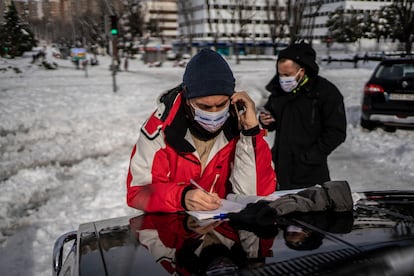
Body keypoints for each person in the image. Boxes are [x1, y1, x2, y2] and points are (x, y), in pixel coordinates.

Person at [127, 48, 276, 212]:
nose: (213, 113)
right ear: (188, 100)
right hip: (176, 231)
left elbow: (256, 195)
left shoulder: (240, 125)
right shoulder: (159, 130)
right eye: (204, 107)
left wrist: (250, 133)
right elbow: (138, 192)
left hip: (226, 229)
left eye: (220, 105)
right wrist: (182, 197)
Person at [259, 42, 346, 190]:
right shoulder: (278, 90)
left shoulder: (326, 92)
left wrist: (312, 156)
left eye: (287, 74)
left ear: (302, 71)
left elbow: (336, 132)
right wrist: (266, 120)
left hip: (311, 173)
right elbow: (272, 116)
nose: (283, 79)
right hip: (280, 170)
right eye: (280, 74)